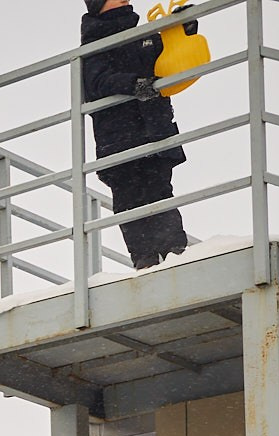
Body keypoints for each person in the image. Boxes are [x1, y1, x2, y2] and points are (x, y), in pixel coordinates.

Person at [83, 0, 192, 270]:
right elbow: (98, 82)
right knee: (130, 199)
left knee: (160, 192)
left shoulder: (144, 38)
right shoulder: (93, 45)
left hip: (154, 132)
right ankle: (144, 260)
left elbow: (172, 54)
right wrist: (134, 84)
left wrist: (184, 28)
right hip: (119, 140)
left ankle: (174, 252)